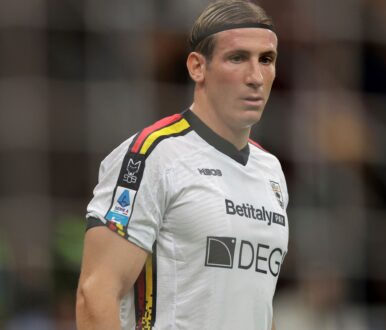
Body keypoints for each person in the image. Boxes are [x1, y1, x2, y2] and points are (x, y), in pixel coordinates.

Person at [76, 1, 289, 329]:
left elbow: (257, 303)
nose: (256, 77)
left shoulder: (270, 169)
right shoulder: (152, 155)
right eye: (237, 58)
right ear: (197, 67)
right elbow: (96, 293)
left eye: (266, 59)